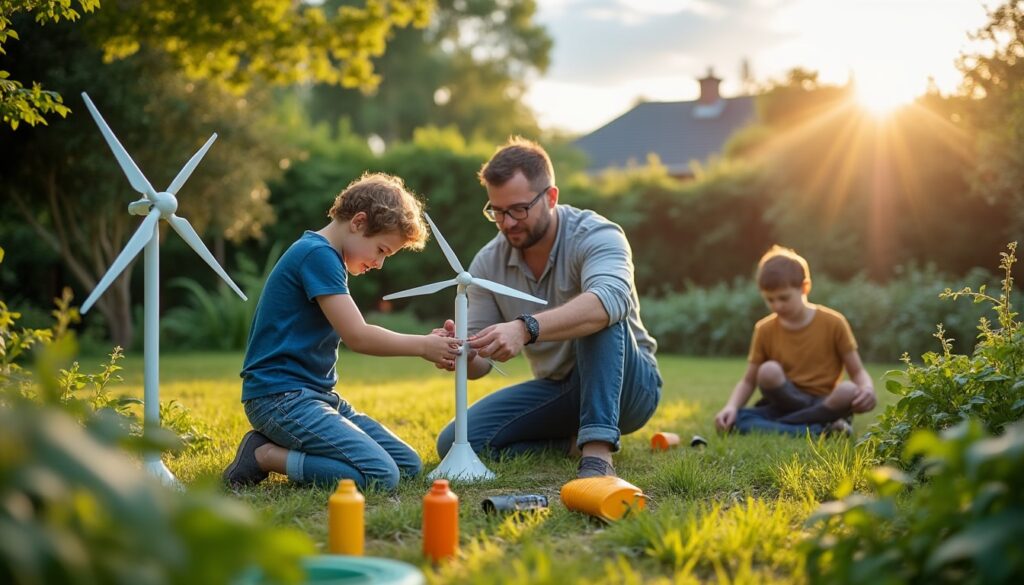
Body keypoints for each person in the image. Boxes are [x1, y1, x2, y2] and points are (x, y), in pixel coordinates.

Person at [434, 137, 662, 479]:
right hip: (559, 390)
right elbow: (480, 364)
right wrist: (461, 351)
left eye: (519, 209)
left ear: (551, 197)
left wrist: (525, 328)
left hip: (629, 387)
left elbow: (613, 299)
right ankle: (572, 443)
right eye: (496, 211)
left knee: (600, 309)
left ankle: (597, 456)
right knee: (456, 440)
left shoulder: (597, 234)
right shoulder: (486, 263)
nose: (507, 222)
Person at [223, 173, 462, 490]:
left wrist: (428, 342)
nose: (379, 264)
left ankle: (288, 446)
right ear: (359, 222)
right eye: (381, 250)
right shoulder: (317, 255)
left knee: (407, 465)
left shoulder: (327, 257)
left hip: (317, 398)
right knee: (382, 476)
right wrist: (423, 346)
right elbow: (357, 336)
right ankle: (265, 455)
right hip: (280, 398)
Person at [714, 245, 876, 436]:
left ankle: (784, 425)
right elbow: (749, 380)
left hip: (824, 403)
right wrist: (731, 406)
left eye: (784, 298)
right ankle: (822, 428)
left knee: (848, 390)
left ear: (804, 287)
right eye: (770, 299)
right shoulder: (764, 329)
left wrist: (867, 389)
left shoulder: (834, 322)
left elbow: (856, 371)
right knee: (766, 373)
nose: (777, 305)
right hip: (782, 404)